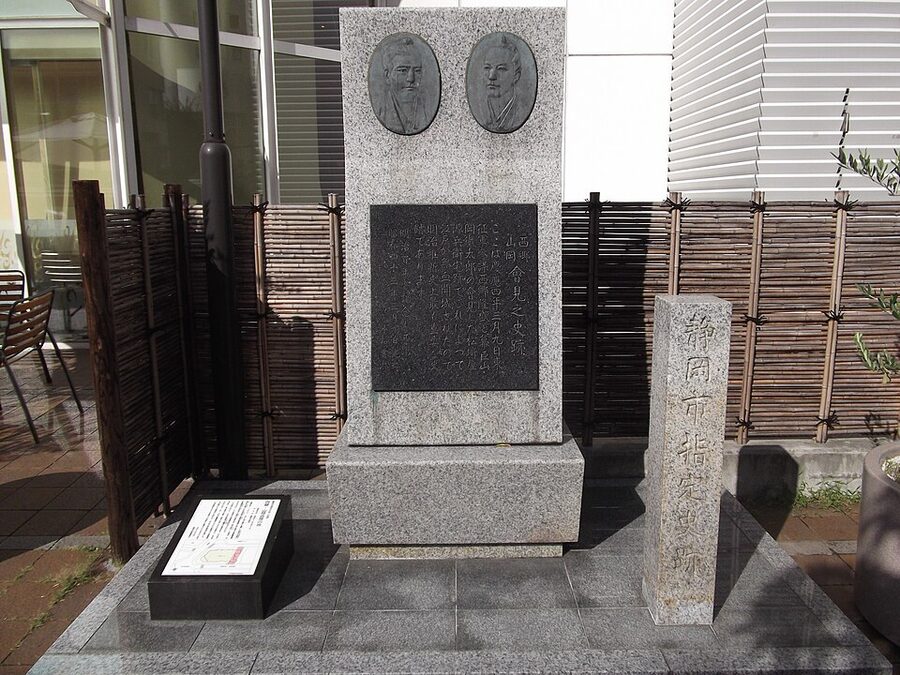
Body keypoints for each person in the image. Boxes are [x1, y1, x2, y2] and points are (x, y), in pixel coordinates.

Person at [377, 36, 428, 135]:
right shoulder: (382, 112)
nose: (411, 78)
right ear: (387, 75)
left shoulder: (427, 110)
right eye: (402, 70)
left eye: (417, 71)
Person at [480, 34, 521, 133]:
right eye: (487, 68)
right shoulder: (480, 110)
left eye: (501, 69)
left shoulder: (520, 110)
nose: (492, 76)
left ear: (516, 76)